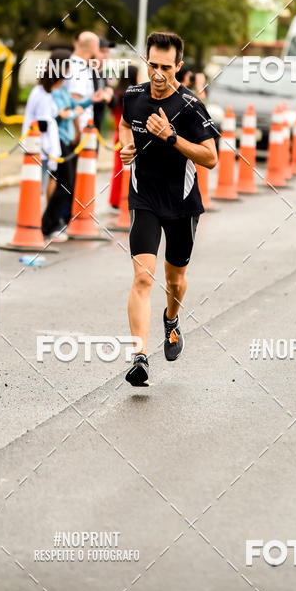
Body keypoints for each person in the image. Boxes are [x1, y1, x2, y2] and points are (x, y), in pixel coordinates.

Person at [119, 31, 218, 387]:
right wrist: (126, 146)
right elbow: (124, 126)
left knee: (174, 280)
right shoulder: (132, 96)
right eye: (152, 65)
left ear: (178, 66)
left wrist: (171, 137)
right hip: (143, 198)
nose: (158, 74)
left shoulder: (191, 105)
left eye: (166, 67)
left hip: (181, 204)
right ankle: (139, 357)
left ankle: (172, 320)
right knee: (143, 276)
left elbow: (211, 158)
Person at [40, 50, 93, 241]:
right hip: (57, 142)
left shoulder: (62, 89)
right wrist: (71, 113)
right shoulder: (48, 92)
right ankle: (49, 225)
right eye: (68, 66)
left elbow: (73, 108)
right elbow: (58, 116)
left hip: (66, 142)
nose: (71, 70)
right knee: (64, 183)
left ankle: (50, 223)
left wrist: (91, 100)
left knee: (65, 184)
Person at [22, 55, 63, 201]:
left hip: (38, 144)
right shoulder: (44, 95)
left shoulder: (38, 91)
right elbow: (42, 123)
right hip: (41, 146)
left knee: (35, 182)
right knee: (38, 183)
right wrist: (60, 117)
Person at [109, 64, 139, 209]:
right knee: (127, 168)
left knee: (118, 168)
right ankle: (123, 199)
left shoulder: (117, 92)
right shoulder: (132, 94)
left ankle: (115, 200)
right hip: (128, 134)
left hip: (117, 132)